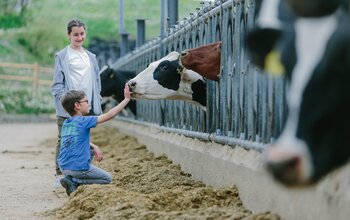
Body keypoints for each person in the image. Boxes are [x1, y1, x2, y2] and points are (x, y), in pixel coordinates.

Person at [51, 19, 102, 179]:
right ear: (69, 35)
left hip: (85, 107)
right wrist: (66, 102)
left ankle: (83, 171)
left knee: (83, 139)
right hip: (68, 107)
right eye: (75, 35)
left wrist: (95, 99)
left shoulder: (91, 57)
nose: (79, 38)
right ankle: (61, 175)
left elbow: (97, 81)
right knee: (64, 140)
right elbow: (57, 85)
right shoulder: (62, 56)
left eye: (82, 34)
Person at [58, 85, 131, 196]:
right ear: (77, 105)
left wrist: (94, 146)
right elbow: (110, 114)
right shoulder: (84, 120)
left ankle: (71, 178)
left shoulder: (66, 123)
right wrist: (126, 99)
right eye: (86, 101)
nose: (89, 104)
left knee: (90, 148)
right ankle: (75, 181)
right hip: (77, 169)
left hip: (63, 167)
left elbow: (73, 139)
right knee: (107, 179)